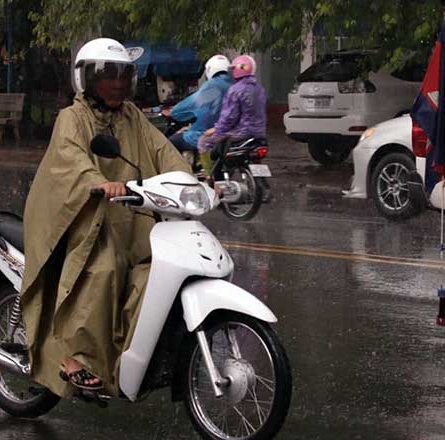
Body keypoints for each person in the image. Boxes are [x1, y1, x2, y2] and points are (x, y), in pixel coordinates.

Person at [19, 38, 191, 397]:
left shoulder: (132, 117)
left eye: (120, 75)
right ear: (86, 80)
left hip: (130, 214)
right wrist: (99, 182)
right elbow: (71, 160)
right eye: (106, 76)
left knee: (151, 270)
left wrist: (194, 181)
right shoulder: (73, 117)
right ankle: (74, 358)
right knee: (105, 268)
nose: (115, 83)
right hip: (81, 216)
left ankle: (122, 356)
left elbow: (164, 151)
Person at [198, 55, 267, 178]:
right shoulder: (259, 89)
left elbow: (229, 117)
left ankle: (212, 178)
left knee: (203, 141)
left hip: (240, 133)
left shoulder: (235, 90)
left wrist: (216, 129)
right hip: (258, 133)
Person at [164, 54, 232, 155]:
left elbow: (190, 104)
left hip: (210, 135)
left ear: (209, 70)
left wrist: (172, 112)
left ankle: (182, 169)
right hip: (235, 134)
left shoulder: (212, 86)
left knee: (171, 142)